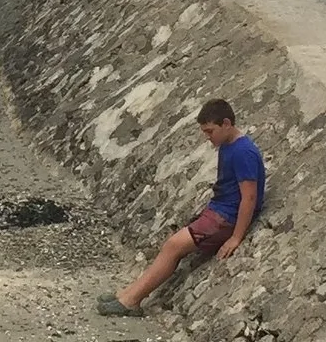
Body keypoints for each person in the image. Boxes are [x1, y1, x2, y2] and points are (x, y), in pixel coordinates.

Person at [98, 98, 264, 316]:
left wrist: (236, 237)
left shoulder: (243, 152)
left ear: (226, 124)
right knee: (171, 244)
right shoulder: (228, 145)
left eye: (210, 131)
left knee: (173, 246)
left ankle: (131, 300)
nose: (207, 137)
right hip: (218, 210)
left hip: (225, 217)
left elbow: (249, 198)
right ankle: (127, 293)